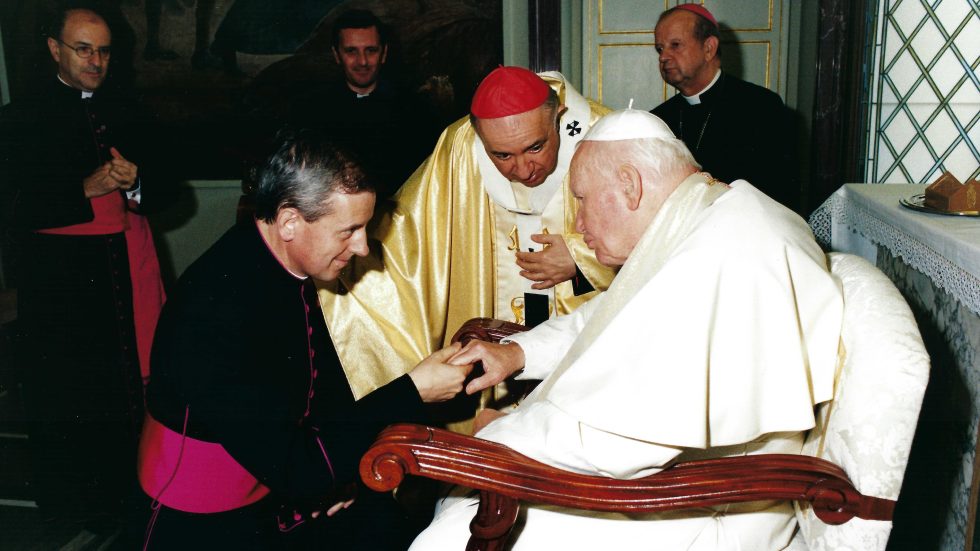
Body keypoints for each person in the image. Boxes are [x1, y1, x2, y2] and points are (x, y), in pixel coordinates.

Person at [409, 108, 844, 550]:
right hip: (689, 469)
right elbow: (612, 316)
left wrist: (494, 437)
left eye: (581, 200)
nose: (578, 225)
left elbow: (622, 443)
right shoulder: (705, 210)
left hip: (711, 497)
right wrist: (519, 353)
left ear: (630, 185)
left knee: (443, 540)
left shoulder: (720, 253)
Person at [136, 130, 472, 549]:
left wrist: (340, 473)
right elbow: (298, 468)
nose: (364, 246)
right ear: (290, 220)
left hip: (276, 480)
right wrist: (413, 390)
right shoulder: (217, 309)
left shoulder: (279, 257)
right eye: (349, 230)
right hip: (205, 515)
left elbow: (315, 376)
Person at [316, 66, 617, 430]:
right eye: (502, 156)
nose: (523, 169)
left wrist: (582, 259)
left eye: (535, 147)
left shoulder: (609, 135)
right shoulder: (460, 146)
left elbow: (664, 242)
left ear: (558, 116)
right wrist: (335, 261)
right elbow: (407, 236)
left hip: (586, 344)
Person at [0, 5, 168, 530]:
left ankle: (132, 502)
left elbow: (169, 194)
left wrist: (137, 183)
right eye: (83, 49)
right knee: (73, 395)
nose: (96, 62)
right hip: (63, 285)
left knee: (129, 391)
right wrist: (82, 189)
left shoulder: (129, 109)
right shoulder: (18, 117)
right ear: (55, 48)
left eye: (104, 51)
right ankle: (79, 510)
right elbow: (11, 205)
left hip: (125, 268)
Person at [650, 4, 798, 210]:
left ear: (709, 48)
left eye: (675, 45)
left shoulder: (761, 107)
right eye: (660, 48)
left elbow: (780, 193)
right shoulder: (658, 119)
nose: (663, 57)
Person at [289, 9, 438, 197]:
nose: (363, 61)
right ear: (337, 55)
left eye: (371, 50)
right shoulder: (311, 112)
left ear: (383, 53)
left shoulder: (416, 112)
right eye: (351, 51)